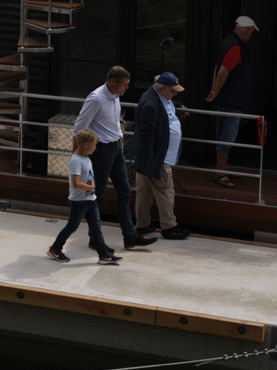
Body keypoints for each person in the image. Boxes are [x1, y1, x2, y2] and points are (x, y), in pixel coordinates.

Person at [74, 66, 154, 250]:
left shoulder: (115, 95)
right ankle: (95, 239)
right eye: (124, 85)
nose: (127, 88)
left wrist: (121, 123)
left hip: (116, 148)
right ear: (112, 82)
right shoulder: (96, 99)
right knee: (97, 195)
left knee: (124, 191)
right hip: (101, 151)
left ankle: (130, 236)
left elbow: (115, 115)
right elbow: (79, 128)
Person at [48, 130, 119, 265]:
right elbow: (76, 184)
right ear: (86, 145)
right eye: (94, 145)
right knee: (72, 226)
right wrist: (91, 187)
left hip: (90, 199)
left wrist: (91, 184)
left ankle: (104, 255)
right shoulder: (76, 161)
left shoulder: (87, 158)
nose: (96, 148)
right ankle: (55, 248)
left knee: (96, 227)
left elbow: (89, 176)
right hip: (79, 202)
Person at [133, 72, 190, 240]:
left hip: (151, 158)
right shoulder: (151, 106)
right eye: (172, 91)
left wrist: (178, 106)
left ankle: (142, 225)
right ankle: (169, 227)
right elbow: (145, 136)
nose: (175, 94)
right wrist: (151, 161)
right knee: (166, 191)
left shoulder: (160, 97)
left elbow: (168, 105)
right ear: (161, 88)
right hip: (158, 158)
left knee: (144, 192)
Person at [205, 15, 259, 187]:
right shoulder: (235, 47)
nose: (251, 35)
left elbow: (218, 68)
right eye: (251, 31)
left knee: (226, 135)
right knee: (227, 137)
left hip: (230, 98)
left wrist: (214, 89)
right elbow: (223, 71)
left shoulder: (228, 42)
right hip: (231, 100)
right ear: (246, 29)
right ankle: (221, 172)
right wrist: (215, 91)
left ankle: (224, 169)